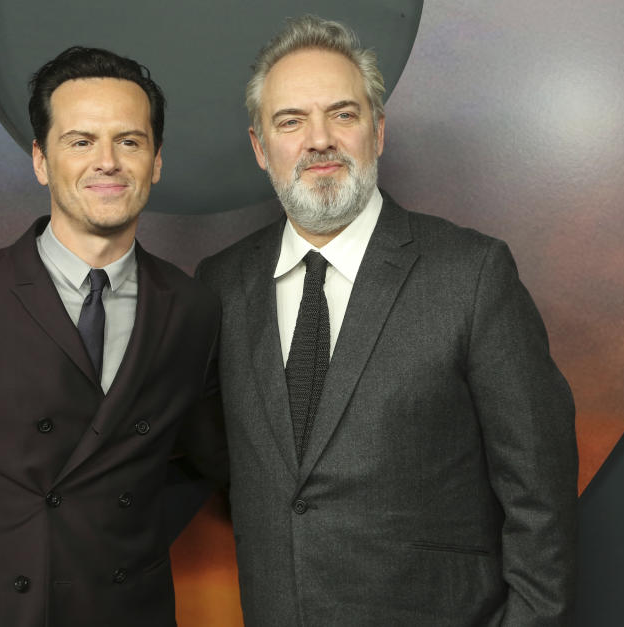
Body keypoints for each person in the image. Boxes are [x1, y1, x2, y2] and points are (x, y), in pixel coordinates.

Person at [196, 16, 577, 626]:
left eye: (342, 114)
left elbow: (542, 497)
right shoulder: (220, 285)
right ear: (260, 147)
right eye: (290, 120)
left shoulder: (472, 274)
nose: (319, 139)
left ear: (377, 131)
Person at [0, 46, 226, 627]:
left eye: (129, 141)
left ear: (155, 161)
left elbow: (214, 459)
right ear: (40, 160)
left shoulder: (193, 308)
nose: (107, 161)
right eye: (80, 141)